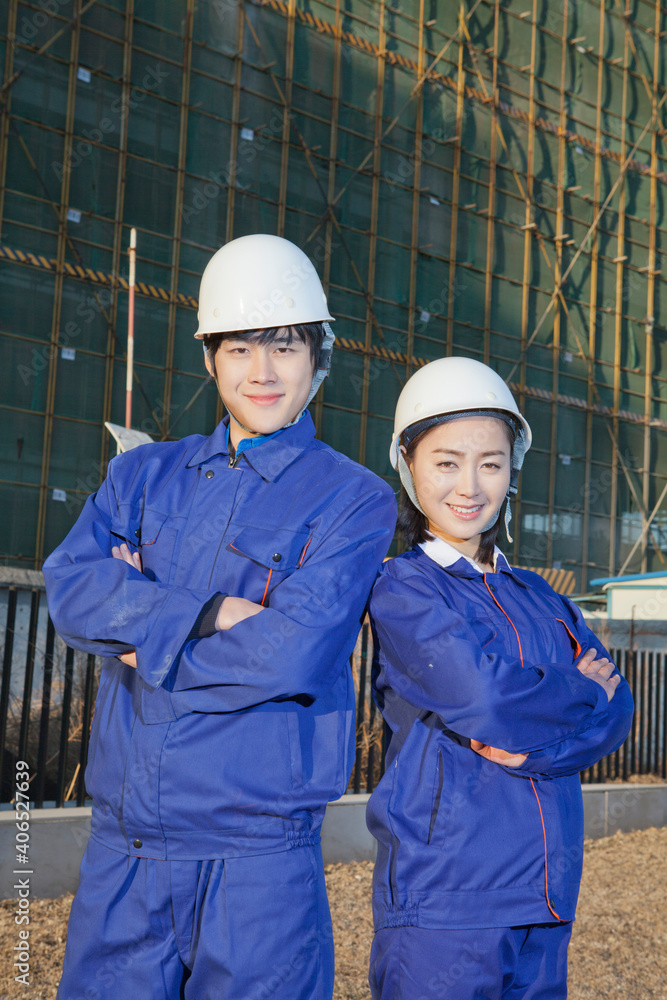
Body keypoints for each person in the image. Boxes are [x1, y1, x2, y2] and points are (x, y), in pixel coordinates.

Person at [43, 234, 397, 1000]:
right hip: (123, 852)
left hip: (256, 861)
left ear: (318, 356)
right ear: (209, 357)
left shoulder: (353, 498)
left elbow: (288, 656)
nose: (261, 372)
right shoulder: (141, 475)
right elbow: (70, 590)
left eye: (284, 347)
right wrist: (205, 612)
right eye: (239, 348)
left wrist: (139, 639)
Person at [365, 356, 633, 999]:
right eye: (446, 462)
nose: (471, 484)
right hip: (447, 901)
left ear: (512, 471)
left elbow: (618, 714)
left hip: (546, 893)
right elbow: (486, 698)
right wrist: (579, 691)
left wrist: (537, 737)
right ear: (408, 466)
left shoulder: (540, 594)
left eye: (491, 462)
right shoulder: (406, 588)